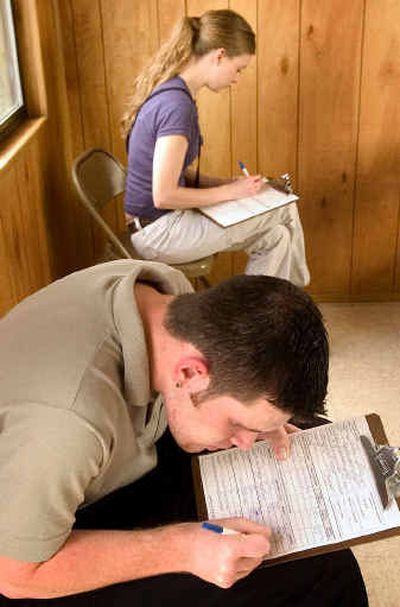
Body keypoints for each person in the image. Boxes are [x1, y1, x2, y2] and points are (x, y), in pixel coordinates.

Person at [0, 260, 368, 606]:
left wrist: (260, 426)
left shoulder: (169, 293)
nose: (242, 441)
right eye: (236, 425)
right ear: (190, 374)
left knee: (307, 436)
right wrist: (180, 548)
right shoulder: (66, 425)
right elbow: (16, 575)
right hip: (37, 560)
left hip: (92, 461)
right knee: (324, 571)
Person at [121, 9, 310, 287]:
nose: (237, 79)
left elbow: (177, 175)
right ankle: (296, 300)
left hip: (160, 224)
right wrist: (231, 192)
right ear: (220, 55)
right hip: (159, 233)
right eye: (239, 69)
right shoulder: (177, 107)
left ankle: (256, 320)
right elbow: (163, 195)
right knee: (283, 208)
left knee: (277, 237)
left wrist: (227, 183)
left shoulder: (174, 93)